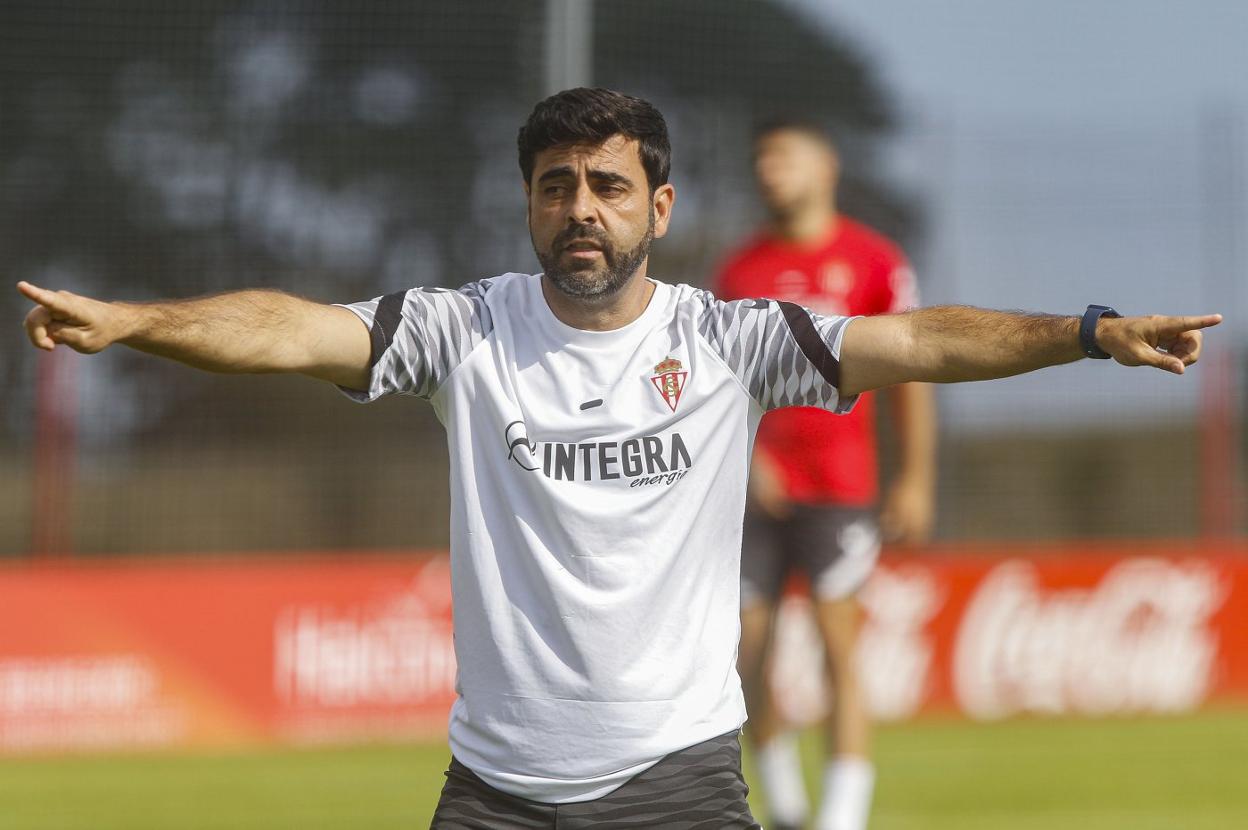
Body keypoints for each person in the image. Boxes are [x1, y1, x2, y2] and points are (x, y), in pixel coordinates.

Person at [17, 88, 1218, 829]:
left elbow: (917, 339)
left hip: (681, 781)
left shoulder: (734, 335)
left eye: (606, 185)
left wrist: (1089, 333)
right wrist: (135, 322)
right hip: (494, 789)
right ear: (528, 206)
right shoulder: (463, 329)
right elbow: (292, 328)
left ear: (658, 202)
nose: (579, 207)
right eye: (555, 187)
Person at [714, 120, 935, 830]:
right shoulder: (739, 270)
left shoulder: (873, 259)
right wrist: (752, 460)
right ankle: (783, 805)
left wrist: (916, 479)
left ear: (825, 167)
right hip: (756, 494)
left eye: (784, 156)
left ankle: (842, 818)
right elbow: (716, 389)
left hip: (842, 486)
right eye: (762, 158)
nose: (770, 169)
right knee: (748, 651)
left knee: (840, 643)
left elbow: (912, 373)